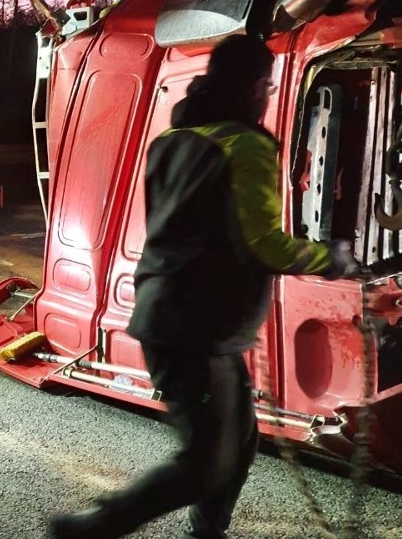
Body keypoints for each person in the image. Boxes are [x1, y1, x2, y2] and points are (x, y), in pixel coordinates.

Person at [49, 34, 359, 539]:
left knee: (238, 443)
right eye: (266, 85)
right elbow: (266, 245)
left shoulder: (171, 143)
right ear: (252, 86)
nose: (267, 94)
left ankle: (205, 533)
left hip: (169, 315)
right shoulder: (246, 145)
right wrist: (333, 259)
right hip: (199, 326)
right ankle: (93, 528)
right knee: (207, 463)